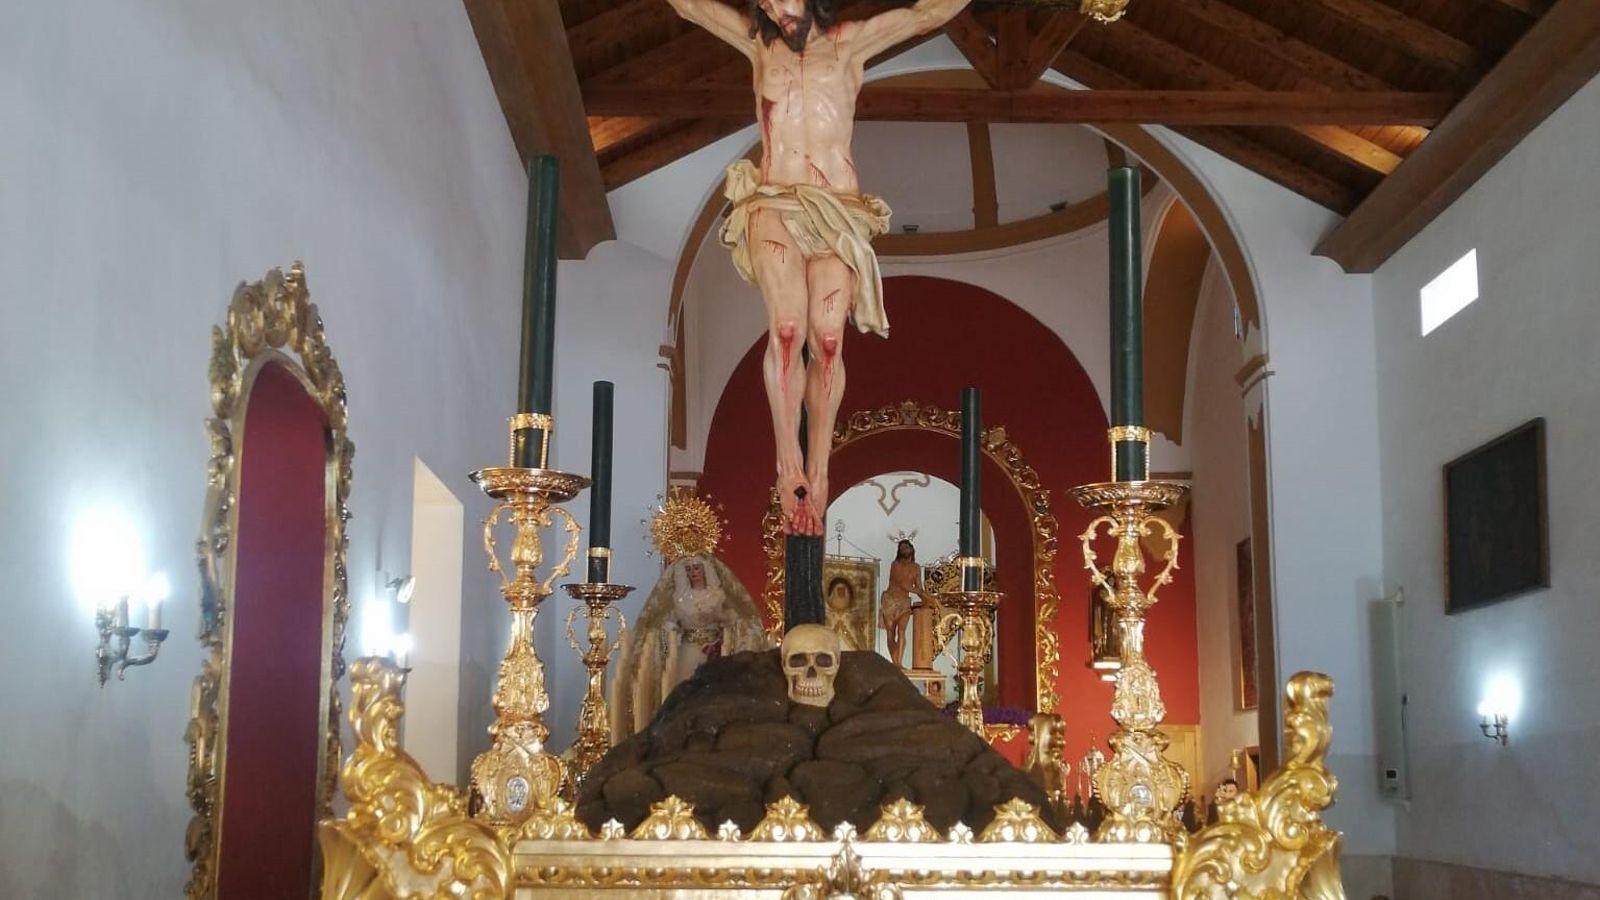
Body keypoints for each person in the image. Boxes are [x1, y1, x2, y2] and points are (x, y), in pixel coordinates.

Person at [664, 0, 974, 536]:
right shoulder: (757, 44)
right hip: (775, 202)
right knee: (787, 330)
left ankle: (821, 466)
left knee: (827, 341)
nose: (773, 8)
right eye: (764, 1)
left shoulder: (850, 43)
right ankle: (788, 463)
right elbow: (689, 6)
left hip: (838, 211)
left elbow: (927, 14)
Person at [610, 553, 769, 741]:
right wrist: (671, 630)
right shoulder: (680, 598)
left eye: (697, 568)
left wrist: (722, 618)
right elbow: (667, 621)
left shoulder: (717, 594)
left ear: (705, 570)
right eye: (689, 569)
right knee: (684, 688)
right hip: (689, 648)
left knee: (715, 691)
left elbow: (733, 618)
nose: (694, 573)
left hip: (715, 649)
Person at [879, 539, 930, 668]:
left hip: (904, 603)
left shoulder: (916, 567)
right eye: (901, 548)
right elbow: (902, 583)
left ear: (911, 549)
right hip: (890, 601)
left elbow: (918, 586)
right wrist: (921, 592)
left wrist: (926, 598)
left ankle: (899, 663)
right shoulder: (895, 565)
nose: (904, 550)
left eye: (906, 548)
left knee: (902, 632)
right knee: (891, 633)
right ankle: (895, 662)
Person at [823, 575, 861, 650]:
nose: (841, 594)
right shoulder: (826, 616)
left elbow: (861, 644)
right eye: (838, 591)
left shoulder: (853, 617)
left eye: (844, 592)